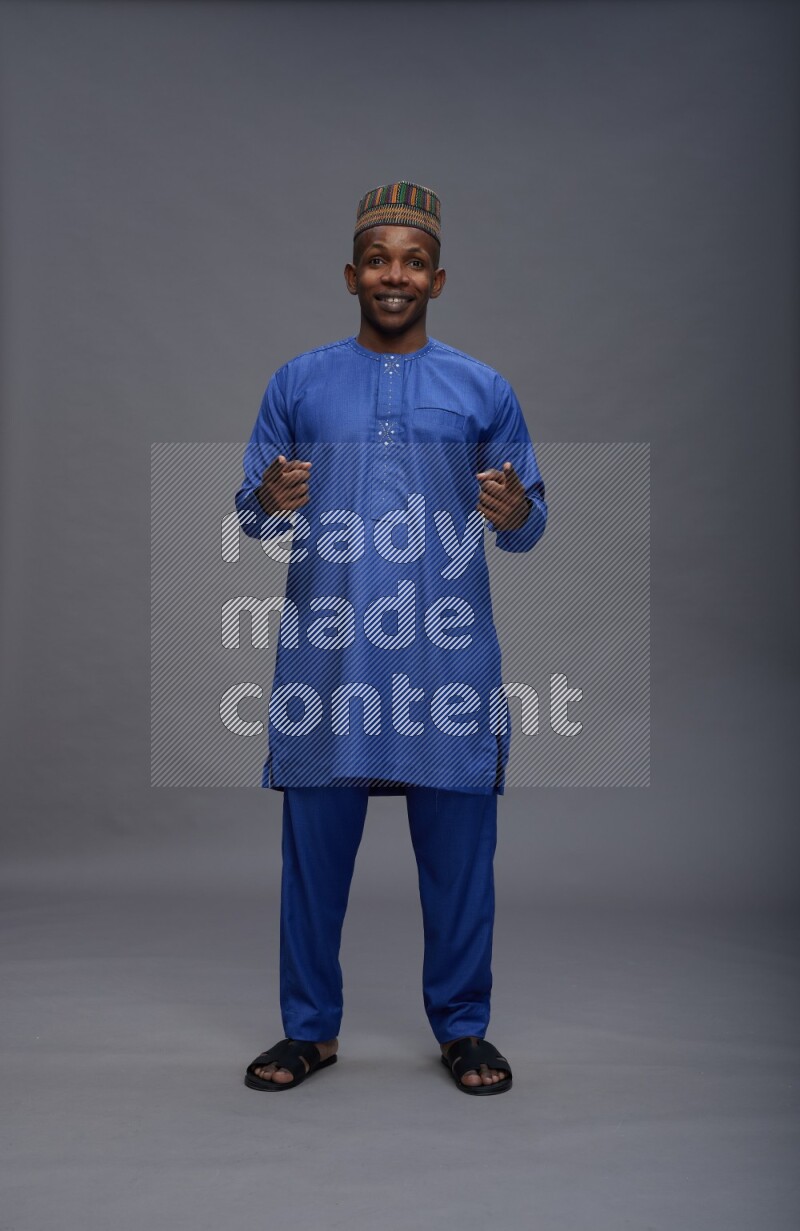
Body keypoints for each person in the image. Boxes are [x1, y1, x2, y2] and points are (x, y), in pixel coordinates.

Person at [235, 181, 547, 1095]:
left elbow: (529, 528)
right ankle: (309, 1030)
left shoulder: (482, 387)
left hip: (445, 658)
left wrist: (518, 507)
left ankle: (463, 1028)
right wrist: (266, 501)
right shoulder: (298, 381)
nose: (393, 274)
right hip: (329, 658)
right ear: (350, 273)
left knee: (459, 860)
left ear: (438, 278)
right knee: (313, 858)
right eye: (378, 259)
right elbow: (249, 510)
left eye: (412, 260)